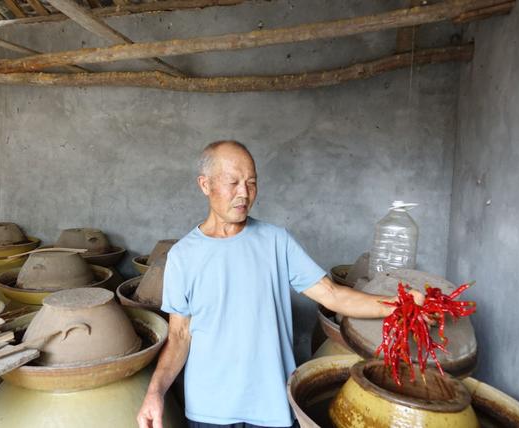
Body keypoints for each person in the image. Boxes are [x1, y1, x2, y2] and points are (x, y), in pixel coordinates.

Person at [137, 141, 423, 428]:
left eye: (251, 183)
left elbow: (333, 295)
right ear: (205, 185)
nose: (244, 193)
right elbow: (179, 336)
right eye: (233, 182)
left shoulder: (276, 241)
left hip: (271, 407)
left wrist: (400, 305)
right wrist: (154, 393)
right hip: (209, 410)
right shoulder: (183, 256)